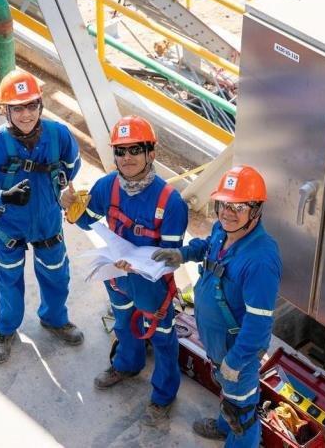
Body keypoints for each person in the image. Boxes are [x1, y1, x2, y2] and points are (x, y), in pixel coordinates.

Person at [62, 115, 188, 426]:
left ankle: (163, 396)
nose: (127, 157)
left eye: (135, 150)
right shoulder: (108, 186)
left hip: (150, 283)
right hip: (116, 275)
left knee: (162, 337)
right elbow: (88, 221)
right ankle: (127, 364)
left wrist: (140, 266)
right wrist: (71, 207)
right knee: (123, 322)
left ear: (151, 153)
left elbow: (172, 258)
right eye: (120, 151)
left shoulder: (170, 202)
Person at [0, 69, 83, 364]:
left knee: (57, 275)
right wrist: (2, 196)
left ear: (40, 105)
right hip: (10, 227)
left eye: (31, 106)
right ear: (6, 110)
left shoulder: (58, 135)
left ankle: (54, 319)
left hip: (48, 222)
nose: (26, 115)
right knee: (8, 279)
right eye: (17, 108)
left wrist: (61, 188)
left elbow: (72, 166)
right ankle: (5, 329)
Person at [152, 165, 282, 447]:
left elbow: (259, 324)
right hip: (217, 343)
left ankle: (236, 437)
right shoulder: (222, 230)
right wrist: (182, 254)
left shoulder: (261, 260)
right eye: (223, 204)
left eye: (239, 206)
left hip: (238, 351)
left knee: (241, 412)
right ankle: (224, 427)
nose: (227, 213)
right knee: (229, 396)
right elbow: (207, 245)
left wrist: (235, 361)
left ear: (257, 210)